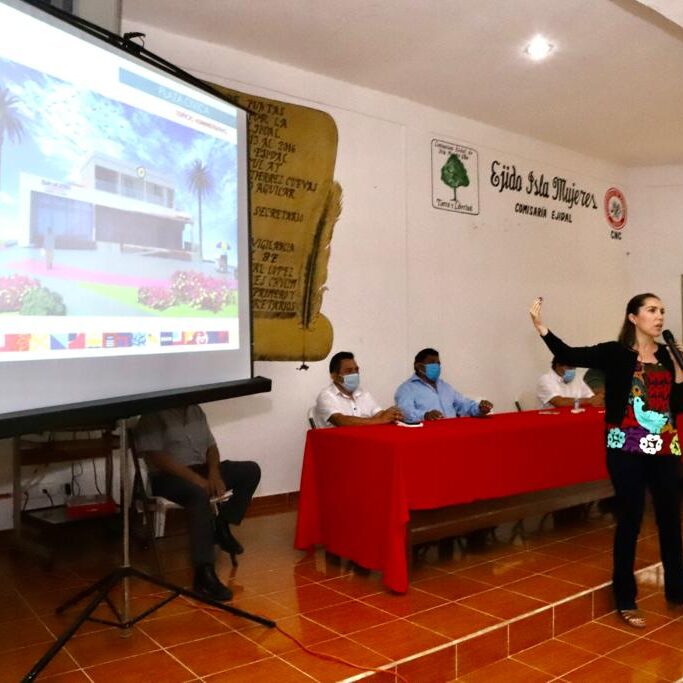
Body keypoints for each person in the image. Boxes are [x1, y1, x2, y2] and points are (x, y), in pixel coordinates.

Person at [530, 294, 683, 628]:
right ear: (633, 317)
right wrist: (542, 327)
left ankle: (677, 589)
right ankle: (625, 596)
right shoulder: (615, 353)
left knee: (671, 520)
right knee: (630, 520)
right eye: (652, 310)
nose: (659, 316)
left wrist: (681, 374)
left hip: (664, 447)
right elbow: (569, 354)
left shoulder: (668, 356)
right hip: (625, 447)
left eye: (662, 311)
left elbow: (678, 405)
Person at [134, 404, 261, 601]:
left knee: (250, 470)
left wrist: (214, 473)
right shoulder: (152, 414)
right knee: (198, 495)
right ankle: (204, 574)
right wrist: (196, 480)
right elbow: (157, 458)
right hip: (168, 477)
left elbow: (211, 447)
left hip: (203, 469)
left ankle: (221, 524)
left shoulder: (196, 410)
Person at [394, 348, 493, 423]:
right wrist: (425, 415)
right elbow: (404, 412)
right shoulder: (406, 389)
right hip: (427, 436)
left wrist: (480, 408)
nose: (437, 366)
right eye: (432, 363)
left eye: (438, 363)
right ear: (419, 366)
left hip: (453, 433)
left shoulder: (445, 387)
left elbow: (463, 404)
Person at [314, 351, 403, 427]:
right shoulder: (326, 396)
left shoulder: (363, 393)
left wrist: (391, 414)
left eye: (356, 370)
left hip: (363, 439)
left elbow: (379, 414)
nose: (355, 374)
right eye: (349, 371)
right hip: (335, 441)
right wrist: (381, 420)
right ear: (334, 376)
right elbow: (341, 421)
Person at [536, 357, 602, 408]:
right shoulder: (545, 380)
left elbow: (592, 398)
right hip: (552, 419)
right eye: (569, 368)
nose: (572, 371)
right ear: (558, 366)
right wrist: (589, 401)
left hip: (576, 416)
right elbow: (559, 402)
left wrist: (597, 399)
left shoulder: (577, 379)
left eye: (574, 368)